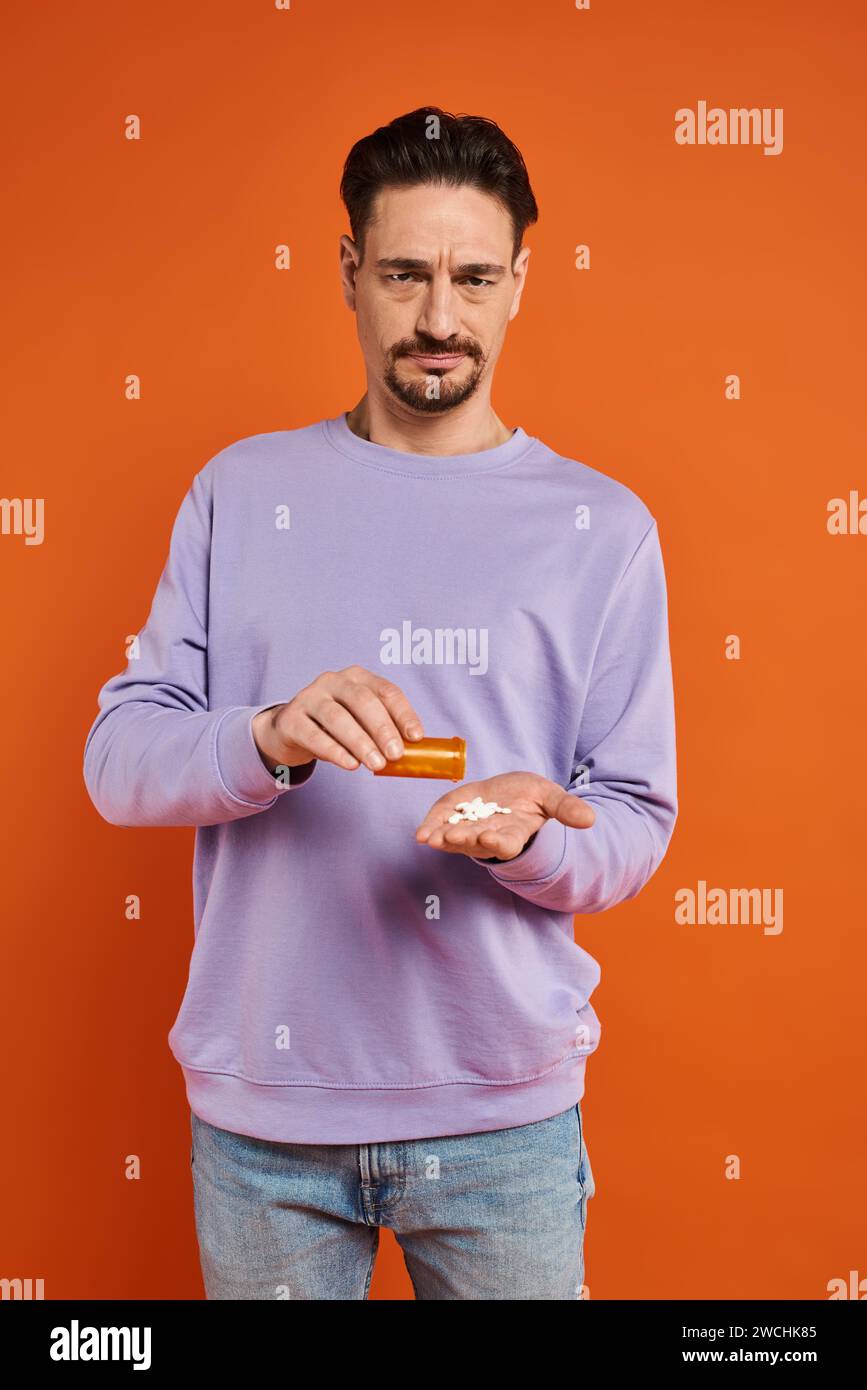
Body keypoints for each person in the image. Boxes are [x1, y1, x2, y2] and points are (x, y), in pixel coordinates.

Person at [83, 106, 678, 1300]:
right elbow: (118, 759)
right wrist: (265, 739)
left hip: (504, 1121)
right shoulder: (240, 492)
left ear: (522, 280)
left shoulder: (603, 528)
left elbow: (634, 822)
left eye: (471, 277)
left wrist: (530, 838)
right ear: (350, 271)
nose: (440, 319)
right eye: (404, 274)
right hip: (265, 1125)